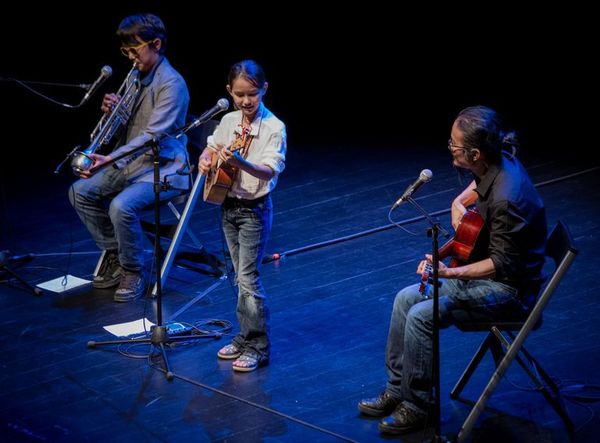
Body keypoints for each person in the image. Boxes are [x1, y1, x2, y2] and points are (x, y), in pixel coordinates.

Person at [358, 106, 547, 435]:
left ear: (474, 154)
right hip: (496, 277)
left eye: (454, 146)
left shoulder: (508, 197)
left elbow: (500, 265)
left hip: (510, 292)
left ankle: (418, 407)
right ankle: (399, 389)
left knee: (421, 315)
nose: (450, 149)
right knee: (406, 298)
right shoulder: (496, 161)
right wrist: (458, 204)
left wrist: (448, 273)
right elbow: (478, 191)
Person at [69, 13, 190, 302]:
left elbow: (151, 137)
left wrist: (107, 160)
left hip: (164, 170)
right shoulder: (135, 77)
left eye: (134, 50)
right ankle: (117, 252)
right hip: (130, 164)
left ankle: (133, 269)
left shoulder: (172, 84)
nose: (130, 58)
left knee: (121, 207)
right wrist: (113, 110)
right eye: (125, 52)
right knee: (79, 192)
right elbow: (127, 129)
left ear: (156, 44)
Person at [198, 60, 286, 372]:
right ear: (229, 92)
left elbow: (269, 169)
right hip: (228, 206)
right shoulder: (228, 120)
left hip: (254, 210)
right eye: (239, 95)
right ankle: (244, 335)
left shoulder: (273, 127)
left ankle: (259, 345)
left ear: (264, 89)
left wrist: (240, 161)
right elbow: (209, 150)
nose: (245, 101)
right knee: (237, 277)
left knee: (248, 277)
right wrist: (206, 162)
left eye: (251, 94)